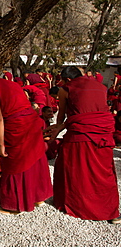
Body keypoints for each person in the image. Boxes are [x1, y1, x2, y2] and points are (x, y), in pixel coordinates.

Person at [0, 64, 52, 214]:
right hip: (31, 121)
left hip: (17, 126)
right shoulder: (12, 84)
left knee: (14, 162)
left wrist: (0, 144)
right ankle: (38, 197)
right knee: (34, 157)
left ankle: (15, 205)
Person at [50, 66, 120, 223]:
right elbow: (90, 112)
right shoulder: (101, 86)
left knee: (70, 167)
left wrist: (56, 129)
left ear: (67, 80)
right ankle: (111, 211)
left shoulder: (65, 89)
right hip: (103, 134)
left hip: (80, 135)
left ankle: (74, 204)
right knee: (104, 172)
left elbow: (62, 115)